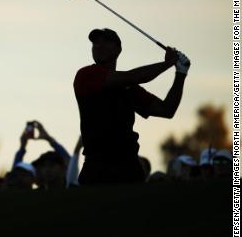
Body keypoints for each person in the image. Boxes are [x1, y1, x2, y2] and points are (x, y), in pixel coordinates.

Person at [73, 28, 190, 185]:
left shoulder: (129, 87)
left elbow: (166, 110)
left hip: (129, 165)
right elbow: (137, 76)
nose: (99, 46)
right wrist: (168, 63)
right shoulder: (86, 75)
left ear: (118, 50)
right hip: (97, 165)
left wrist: (181, 73)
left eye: (106, 42)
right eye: (95, 43)